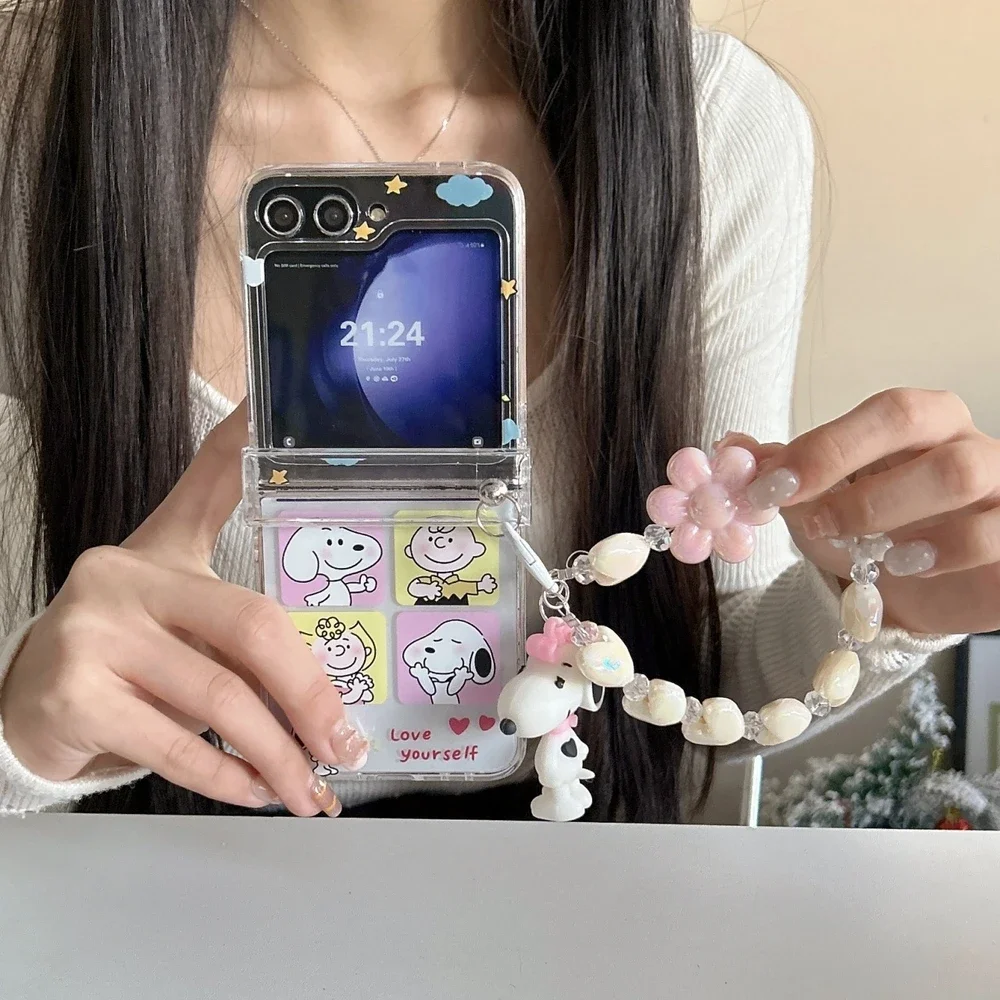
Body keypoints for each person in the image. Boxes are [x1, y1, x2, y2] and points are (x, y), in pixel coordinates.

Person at [0, 0, 996, 824]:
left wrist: (877, 604)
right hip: (139, 916)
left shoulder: (712, 125)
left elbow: (706, 662)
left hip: (567, 904)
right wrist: (21, 738)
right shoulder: (27, 113)